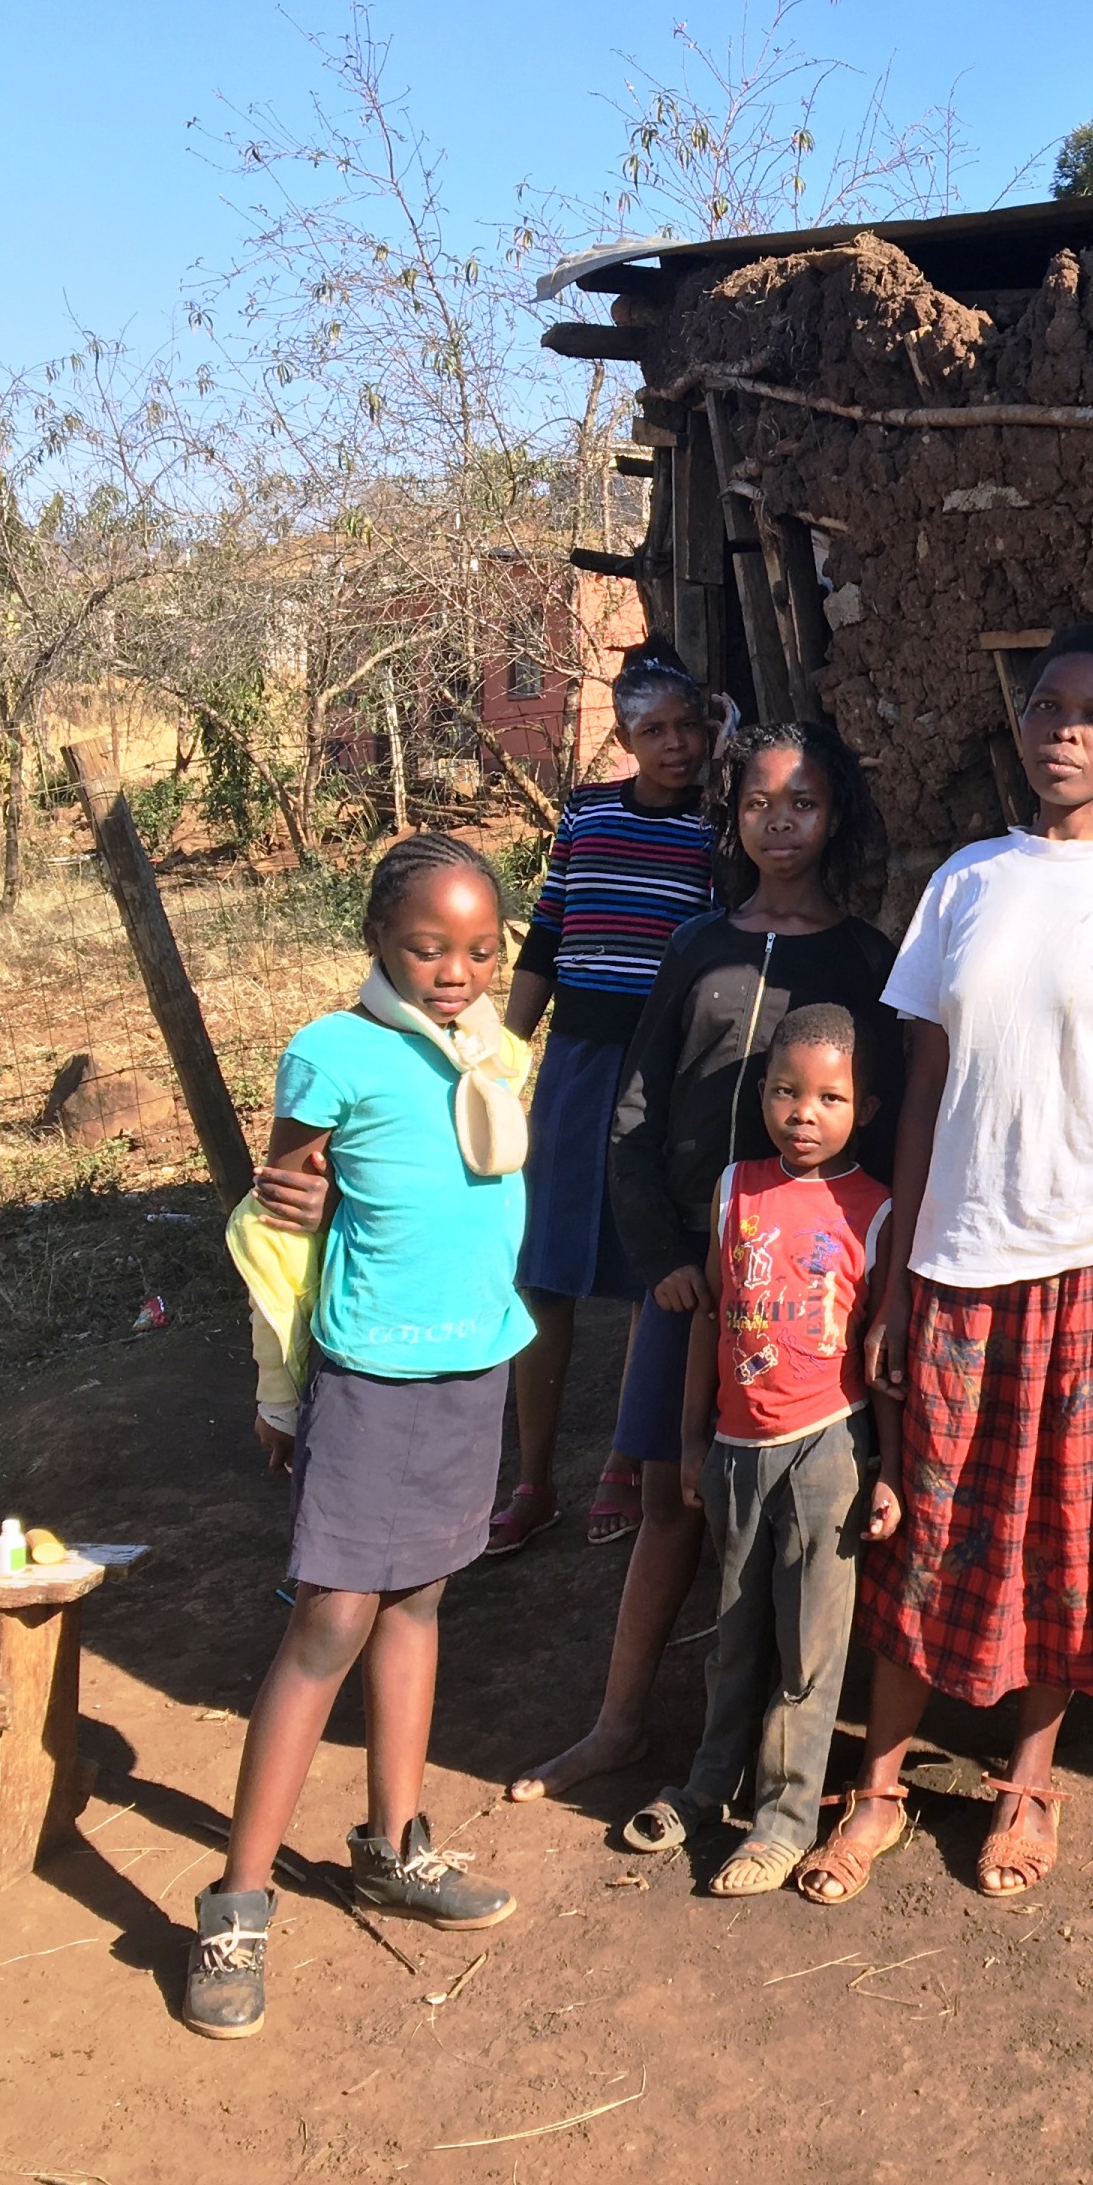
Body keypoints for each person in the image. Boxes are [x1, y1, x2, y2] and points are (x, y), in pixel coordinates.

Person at [796, 624, 1093, 1907]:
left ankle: (1028, 1778)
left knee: (1065, 1517)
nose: (1064, 731)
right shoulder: (970, 882)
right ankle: (878, 1785)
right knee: (928, 1517)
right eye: (1048, 707)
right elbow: (928, 1075)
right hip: (961, 1249)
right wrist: (897, 1264)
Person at [505, 718, 905, 1805]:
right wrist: (664, 1254)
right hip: (696, 1274)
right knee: (675, 1495)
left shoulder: (867, 963)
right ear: (734, 816)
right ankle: (621, 1722)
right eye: (761, 801)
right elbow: (635, 1109)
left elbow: (893, 1125)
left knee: (819, 1510)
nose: (783, 822)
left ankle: (791, 1760)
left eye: (806, 802)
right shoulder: (697, 946)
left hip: (812, 1293)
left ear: (838, 817)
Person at [188, 834, 536, 2039]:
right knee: (330, 1617)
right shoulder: (333, 1053)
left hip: (471, 1364)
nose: (456, 971)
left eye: (481, 949)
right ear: (379, 943)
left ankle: (394, 1843)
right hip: (370, 1373)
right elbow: (280, 1218)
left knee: (421, 1600)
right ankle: (235, 1900)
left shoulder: (499, 1052)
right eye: (428, 948)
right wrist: (279, 1390)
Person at [618, 1001, 902, 1893]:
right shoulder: (736, 1187)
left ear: (868, 1109)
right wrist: (694, 1435)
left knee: (809, 1644)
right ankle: (709, 1783)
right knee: (733, 1629)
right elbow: (709, 1320)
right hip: (737, 1447)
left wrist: (888, 1468)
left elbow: (879, 1355)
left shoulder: (879, 1209)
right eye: (785, 1092)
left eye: (828, 1097)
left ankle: (783, 1819)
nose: (803, 1113)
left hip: (829, 1447)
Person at [488, 642, 722, 1555]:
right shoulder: (585, 820)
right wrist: (506, 1056)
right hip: (576, 1062)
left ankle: (626, 1463)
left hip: (658, 1064)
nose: (675, 745)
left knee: (643, 1270)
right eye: (653, 729)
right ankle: (534, 1476)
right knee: (545, 1267)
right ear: (623, 737)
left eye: (688, 726)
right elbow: (546, 935)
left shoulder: (715, 833)